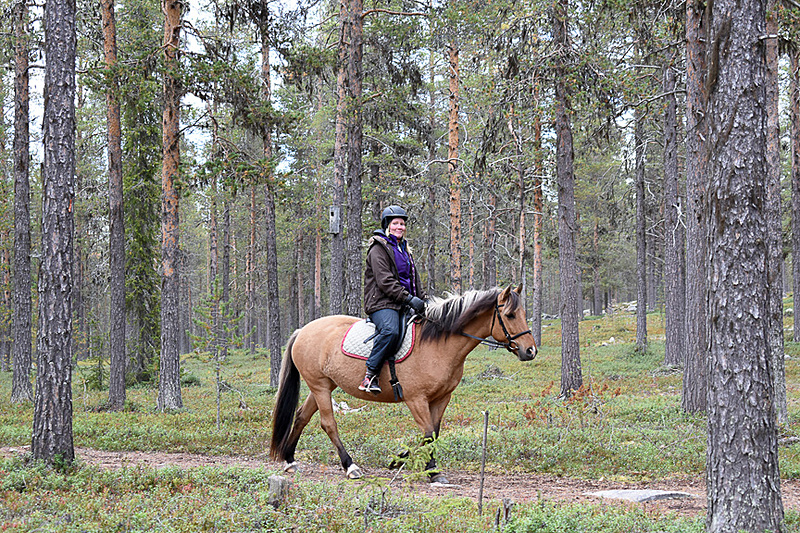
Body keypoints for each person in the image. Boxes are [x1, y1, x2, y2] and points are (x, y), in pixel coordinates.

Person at [359, 205, 426, 394]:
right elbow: (384, 281)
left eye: (402, 224)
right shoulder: (378, 249)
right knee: (390, 331)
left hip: (403, 302)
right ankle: (370, 375)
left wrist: (422, 299)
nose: (400, 227)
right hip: (382, 302)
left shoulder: (405, 249)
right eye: (396, 223)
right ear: (387, 225)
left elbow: (414, 279)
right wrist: (409, 299)